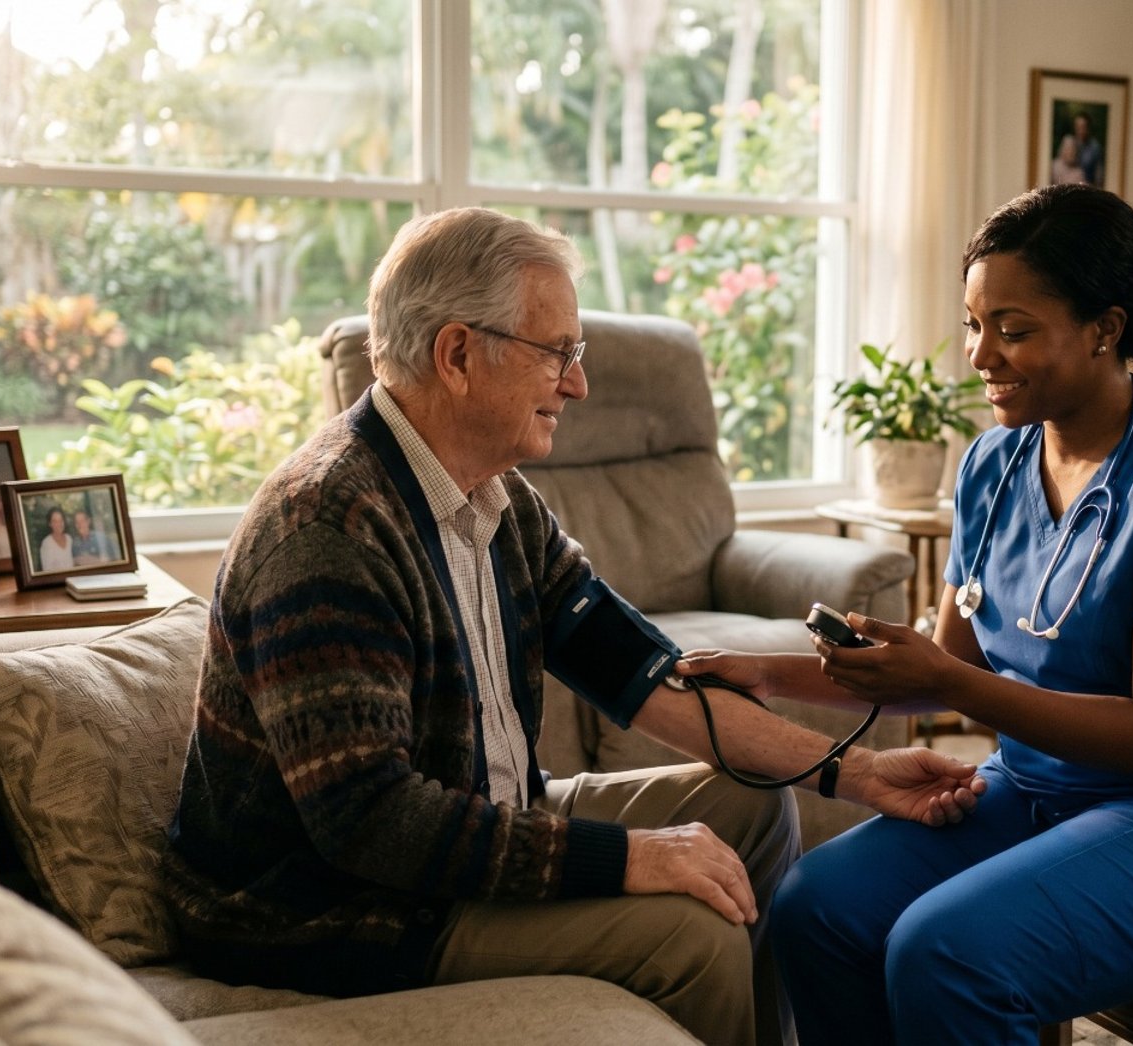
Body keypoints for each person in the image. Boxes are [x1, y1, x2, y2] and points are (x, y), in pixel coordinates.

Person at [163, 206, 985, 1046]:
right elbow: (373, 825)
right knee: (690, 935)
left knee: (749, 801)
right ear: (456, 355)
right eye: (557, 353)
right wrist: (632, 859)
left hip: (471, 827)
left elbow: (646, 675)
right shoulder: (329, 533)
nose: (578, 383)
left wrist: (861, 772)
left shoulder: (499, 500)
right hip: (328, 908)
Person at [678, 184, 1133, 1044]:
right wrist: (769, 670)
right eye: (974, 325)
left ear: (1105, 328)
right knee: (814, 908)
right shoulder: (990, 466)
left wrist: (948, 683)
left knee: (945, 953)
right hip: (1039, 792)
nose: (980, 355)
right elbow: (945, 669)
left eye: (1012, 330)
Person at [1069, 112, 1102, 186]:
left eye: (1082, 127)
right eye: (1077, 127)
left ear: (1088, 128)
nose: (1080, 130)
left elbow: (1099, 175)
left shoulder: (1095, 147)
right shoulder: (1069, 143)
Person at [38, 506, 74, 573]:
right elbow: (47, 571)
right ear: (50, 524)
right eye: (55, 521)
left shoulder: (69, 539)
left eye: (61, 520)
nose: (59, 524)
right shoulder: (46, 543)